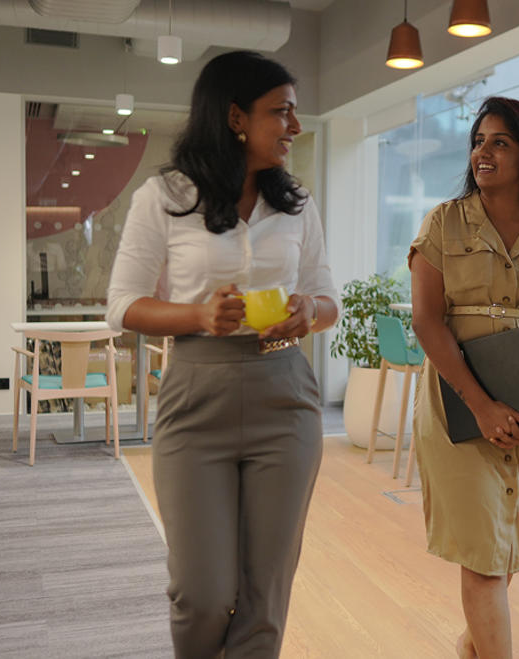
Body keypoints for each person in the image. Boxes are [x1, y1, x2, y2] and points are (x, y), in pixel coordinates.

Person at [105, 50, 339, 658]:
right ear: (236, 116)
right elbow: (122, 305)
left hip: (284, 394)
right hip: (195, 398)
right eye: (280, 112)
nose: (294, 126)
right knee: (202, 593)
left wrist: (305, 313)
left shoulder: (297, 205)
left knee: (266, 596)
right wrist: (197, 316)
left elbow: (328, 299)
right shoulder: (164, 196)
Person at [407, 96, 519, 659]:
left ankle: (473, 645)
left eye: (499, 143)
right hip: (459, 408)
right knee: (484, 554)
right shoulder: (444, 222)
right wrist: (482, 405)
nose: (481, 152)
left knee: (505, 545)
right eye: (479, 141)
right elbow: (426, 321)